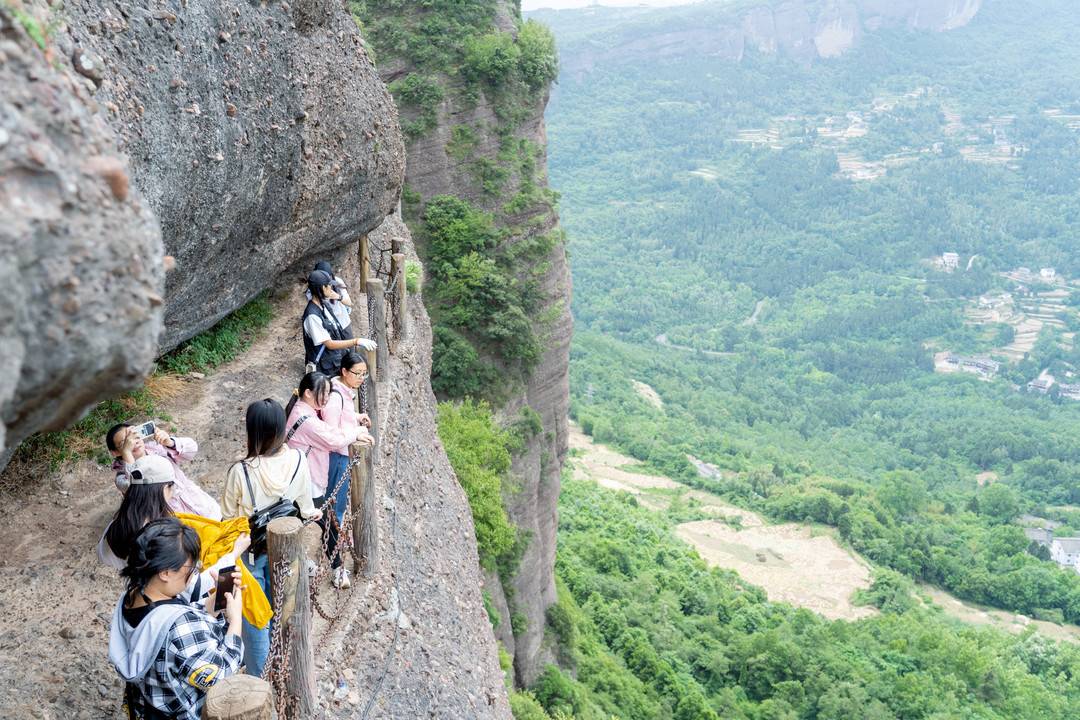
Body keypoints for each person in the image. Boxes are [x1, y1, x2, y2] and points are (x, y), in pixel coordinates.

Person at [97, 456, 271, 637]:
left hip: (142, 600)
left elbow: (103, 555)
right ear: (164, 488)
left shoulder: (116, 526)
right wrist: (234, 552)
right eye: (172, 486)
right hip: (173, 612)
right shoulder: (161, 535)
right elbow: (191, 587)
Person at [221, 398, 321, 677]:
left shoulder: (240, 471)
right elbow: (305, 502)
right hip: (287, 547)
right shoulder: (299, 459)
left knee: (254, 617)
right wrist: (313, 513)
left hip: (251, 552)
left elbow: (228, 519)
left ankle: (259, 678)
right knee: (283, 605)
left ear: (252, 431)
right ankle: (287, 662)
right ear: (280, 427)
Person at [109, 517, 243, 720]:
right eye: (191, 569)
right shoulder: (179, 628)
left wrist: (215, 602)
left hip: (148, 707)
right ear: (165, 573)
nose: (193, 574)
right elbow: (220, 674)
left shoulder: (133, 595)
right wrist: (235, 621)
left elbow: (170, 619)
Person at [285, 371, 373, 588]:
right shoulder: (305, 419)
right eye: (322, 394)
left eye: (327, 394)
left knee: (301, 522)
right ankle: (337, 569)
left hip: (299, 482)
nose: (325, 400)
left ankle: (303, 562)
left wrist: (353, 425)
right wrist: (356, 432)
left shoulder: (304, 410)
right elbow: (332, 439)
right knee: (328, 523)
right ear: (307, 393)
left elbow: (330, 430)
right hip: (305, 485)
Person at [107, 422, 221, 520]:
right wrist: (127, 452)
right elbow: (137, 487)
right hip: (179, 524)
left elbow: (192, 450)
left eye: (135, 437)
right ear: (115, 452)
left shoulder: (157, 448)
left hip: (204, 508)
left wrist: (170, 442)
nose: (133, 443)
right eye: (125, 443)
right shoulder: (121, 477)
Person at [302, 269, 375, 376]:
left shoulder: (324, 305)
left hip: (333, 362)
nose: (331, 288)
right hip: (324, 369)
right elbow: (329, 344)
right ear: (323, 288)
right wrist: (356, 341)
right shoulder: (312, 315)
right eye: (329, 285)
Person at [306, 260, 354, 338]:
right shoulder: (312, 291)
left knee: (350, 348)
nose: (329, 286)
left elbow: (349, 303)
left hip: (343, 322)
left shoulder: (337, 282)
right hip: (328, 326)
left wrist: (338, 297)